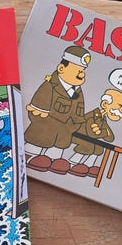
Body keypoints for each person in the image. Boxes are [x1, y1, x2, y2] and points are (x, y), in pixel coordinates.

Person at [24, 46, 91, 174]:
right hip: (42, 133)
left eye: (82, 70)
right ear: (61, 68)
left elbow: (79, 113)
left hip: (63, 136)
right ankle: (30, 157)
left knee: (54, 159)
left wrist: (72, 128)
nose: (82, 74)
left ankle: (52, 162)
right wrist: (43, 124)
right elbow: (36, 110)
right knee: (33, 152)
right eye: (78, 70)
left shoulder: (78, 91)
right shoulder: (50, 86)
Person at [69, 89, 122, 178]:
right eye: (119, 106)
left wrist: (104, 132)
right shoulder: (92, 116)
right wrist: (104, 132)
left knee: (99, 148)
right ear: (105, 104)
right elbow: (92, 134)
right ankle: (72, 163)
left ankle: (88, 166)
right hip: (76, 135)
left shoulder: (103, 119)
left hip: (87, 138)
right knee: (89, 145)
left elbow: (110, 138)